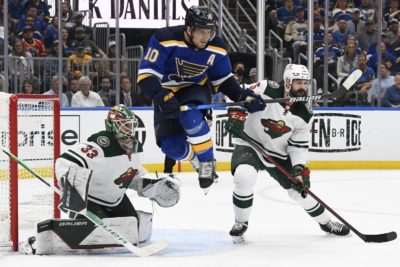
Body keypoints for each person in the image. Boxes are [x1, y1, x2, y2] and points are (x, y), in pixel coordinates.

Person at [137, 6, 265, 193]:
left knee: (191, 117)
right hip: (165, 91)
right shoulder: (164, 39)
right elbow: (146, 76)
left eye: (209, 32)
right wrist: (162, 95)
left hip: (195, 89)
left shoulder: (217, 47)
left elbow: (223, 80)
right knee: (170, 147)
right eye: (201, 32)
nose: (206, 37)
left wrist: (243, 96)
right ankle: (195, 159)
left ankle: (207, 162)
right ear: (188, 29)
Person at [27, 105, 181, 254]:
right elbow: (65, 161)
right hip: (91, 200)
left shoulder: (133, 147)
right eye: (125, 125)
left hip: (116, 199)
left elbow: (130, 175)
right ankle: (36, 241)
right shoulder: (102, 144)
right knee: (91, 233)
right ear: (112, 125)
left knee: (134, 227)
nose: (129, 129)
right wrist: (70, 186)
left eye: (131, 125)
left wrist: (148, 186)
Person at [224, 64, 350, 243]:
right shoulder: (266, 88)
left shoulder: (304, 113)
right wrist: (237, 114)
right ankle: (240, 223)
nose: (303, 87)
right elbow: (238, 93)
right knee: (244, 177)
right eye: (299, 82)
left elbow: (298, 145)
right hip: (250, 143)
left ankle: (326, 223)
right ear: (288, 82)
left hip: (279, 155)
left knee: (302, 192)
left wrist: (298, 169)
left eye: (305, 83)